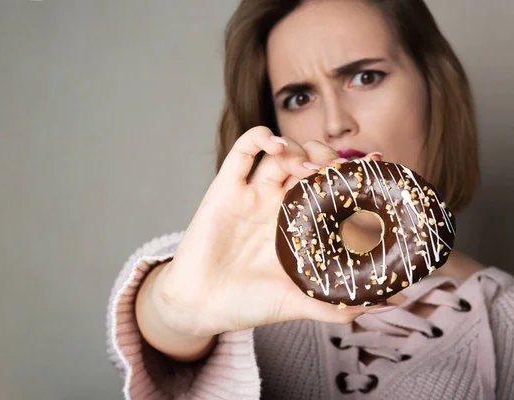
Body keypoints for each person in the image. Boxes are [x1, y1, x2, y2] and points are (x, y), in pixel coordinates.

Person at [106, 0, 514, 398]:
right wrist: (176, 310)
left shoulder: (506, 322)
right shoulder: (238, 268)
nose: (335, 123)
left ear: (433, 84)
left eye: (366, 77)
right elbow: (158, 328)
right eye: (299, 98)